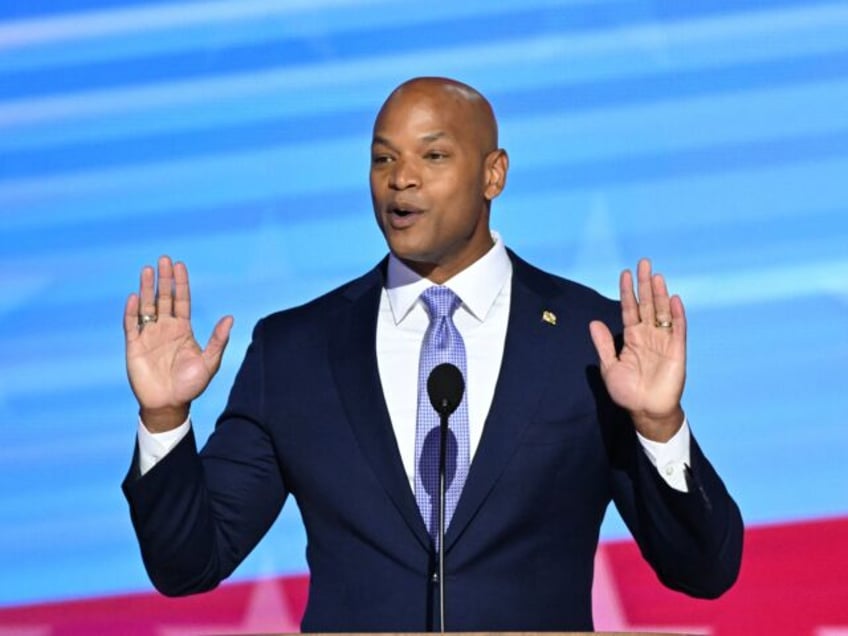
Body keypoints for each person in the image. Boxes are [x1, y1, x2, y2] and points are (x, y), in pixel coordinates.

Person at [122, 77, 743, 632]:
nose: (401, 178)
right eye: (383, 159)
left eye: (434, 155)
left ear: (493, 174)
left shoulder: (591, 341)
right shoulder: (295, 351)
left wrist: (659, 427)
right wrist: (165, 421)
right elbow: (188, 564)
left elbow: (704, 569)